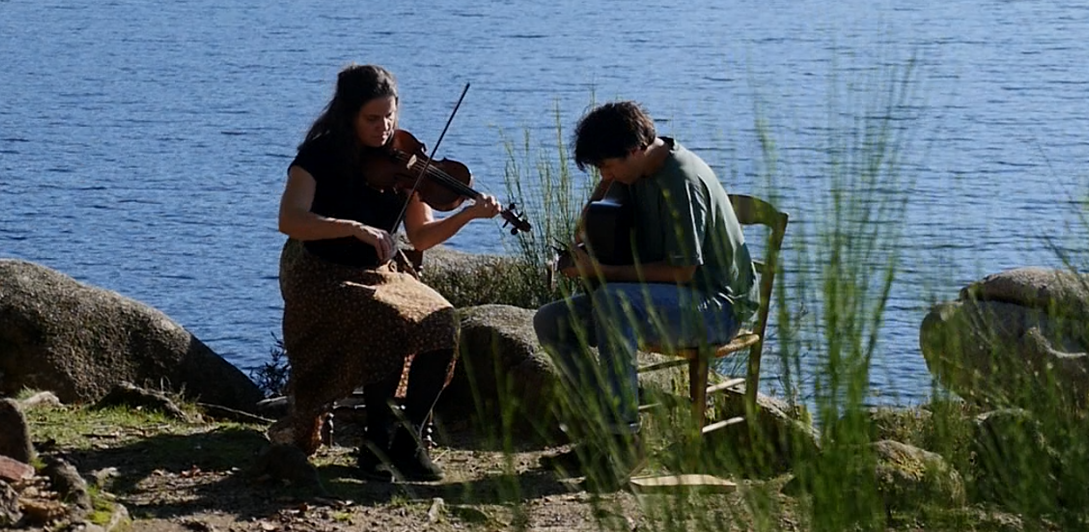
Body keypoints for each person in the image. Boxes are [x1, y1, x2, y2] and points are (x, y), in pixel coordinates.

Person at [270, 64, 502, 482]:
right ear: (348, 115)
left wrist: (468, 214)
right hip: (324, 275)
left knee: (442, 323)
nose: (384, 128)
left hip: (382, 274)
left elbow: (422, 235)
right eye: (372, 119)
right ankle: (375, 443)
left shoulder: (405, 161)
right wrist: (351, 227)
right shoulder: (317, 157)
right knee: (387, 321)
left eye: (390, 116)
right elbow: (290, 220)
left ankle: (408, 441)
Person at [534, 101, 760, 490]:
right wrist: (593, 212)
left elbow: (683, 271)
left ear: (635, 149)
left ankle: (625, 441)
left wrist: (601, 273)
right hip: (664, 297)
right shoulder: (635, 172)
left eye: (607, 166)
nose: (606, 175)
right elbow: (600, 217)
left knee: (612, 302)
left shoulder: (680, 182)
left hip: (714, 306)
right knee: (551, 323)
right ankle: (602, 434)